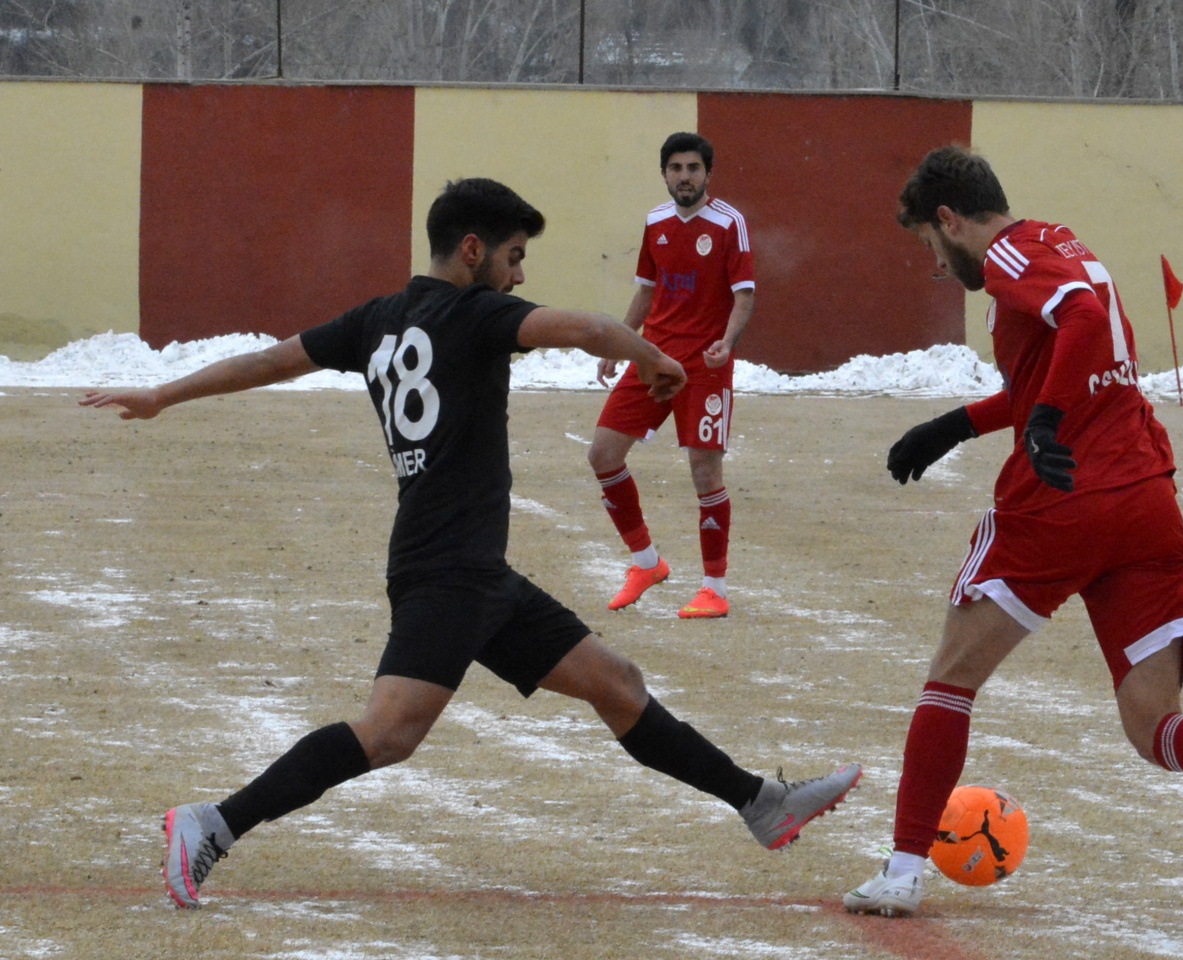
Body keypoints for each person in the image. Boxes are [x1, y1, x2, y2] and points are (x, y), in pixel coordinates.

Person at [81, 177, 860, 910]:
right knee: (388, 733)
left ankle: (761, 804)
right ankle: (212, 823)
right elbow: (587, 327)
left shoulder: (376, 319)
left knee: (616, 681)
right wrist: (656, 357)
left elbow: (270, 360)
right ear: (473, 251)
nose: (520, 277)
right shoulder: (476, 316)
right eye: (516, 257)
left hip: (475, 573)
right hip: (446, 572)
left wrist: (164, 393)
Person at [842, 145, 1183, 917]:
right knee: (1153, 724)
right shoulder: (1061, 244)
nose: (935, 265)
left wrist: (1043, 421)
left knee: (951, 676)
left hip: (1060, 503)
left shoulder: (1005, 254)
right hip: (1143, 500)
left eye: (930, 246)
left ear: (950, 219)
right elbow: (1064, 361)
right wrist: (954, 426)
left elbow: (1081, 319)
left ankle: (901, 870)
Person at [588, 132, 756, 619]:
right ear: (664, 173)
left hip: (705, 367)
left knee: (705, 473)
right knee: (602, 454)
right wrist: (618, 342)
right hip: (653, 359)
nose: (685, 176)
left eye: (693, 168)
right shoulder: (656, 222)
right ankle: (646, 563)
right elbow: (646, 292)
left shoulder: (730, 224)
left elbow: (744, 294)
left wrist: (727, 342)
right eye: (676, 168)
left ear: (707, 174)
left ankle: (715, 588)